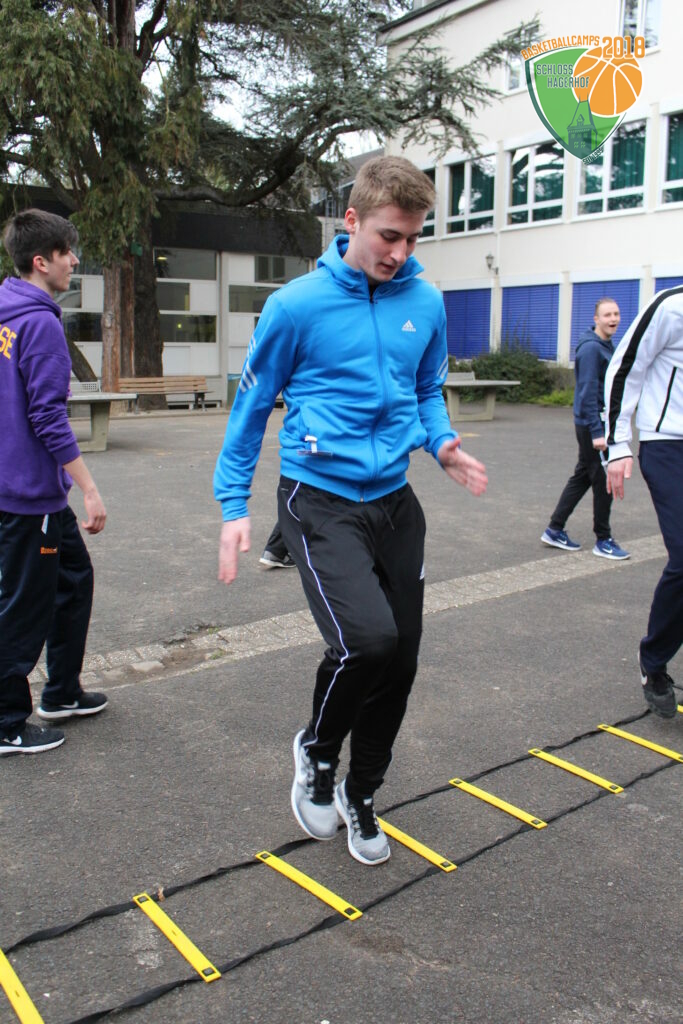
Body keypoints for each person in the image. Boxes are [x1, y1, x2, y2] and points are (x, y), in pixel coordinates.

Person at [214, 156, 487, 866]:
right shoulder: (295, 305)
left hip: (394, 501)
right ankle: (315, 750)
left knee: (400, 662)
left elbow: (425, 389)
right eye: (389, 236)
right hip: (318, 500)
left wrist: (442, 442)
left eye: (412, 239)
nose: (399, 253)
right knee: (367, 641)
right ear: (352, 221)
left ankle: (361, 794)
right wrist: (233, 503)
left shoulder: (424, 302)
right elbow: (250, 407)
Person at [0, 209, 108, 756]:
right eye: (67, 252)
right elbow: (48, 417)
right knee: (22, 608)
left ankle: (63, 690)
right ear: (41, 262)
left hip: (27, 490)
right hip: (27, 496)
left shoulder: (7, 312)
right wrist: (88, 486)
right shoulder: (39, 323)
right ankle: (6, 722)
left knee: (74, 579)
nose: (74, 261)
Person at [605, 286, 683, 718]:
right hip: (668, 444)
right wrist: (616, 444)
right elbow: (625, 368)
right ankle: (653, 661)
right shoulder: (672, 306)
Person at [541, 298, 630, 560]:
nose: (613, 319)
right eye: (607, 315)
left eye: (616, 314)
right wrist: (597, 432)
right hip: (594, 424)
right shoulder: (591, 348)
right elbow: (587, 391)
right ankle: (603, 539)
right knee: (603, 480)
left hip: (597, 422)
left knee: (583, 475)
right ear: (596, 319)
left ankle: (554, 528)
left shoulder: (605, 345)